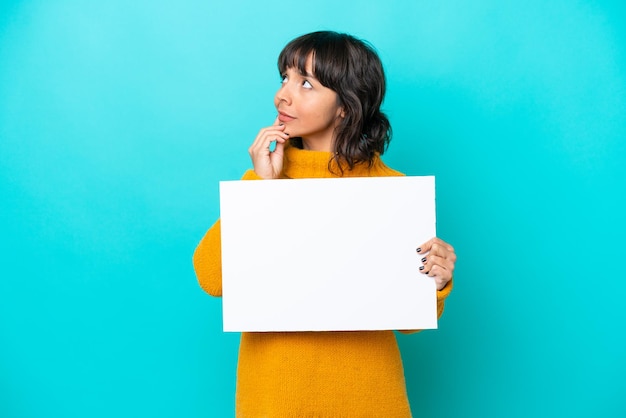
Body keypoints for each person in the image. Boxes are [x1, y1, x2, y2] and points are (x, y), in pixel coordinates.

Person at [193, 31, 456, 417]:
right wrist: (260, 186)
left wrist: (437, 281)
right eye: (284, 78)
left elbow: (411, 323)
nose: (283, 95)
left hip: (369, 398)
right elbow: (211, 278)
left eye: (305, 84)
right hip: (274, 398)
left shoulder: (392, 190)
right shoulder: (268, 180)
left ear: (345, 107)